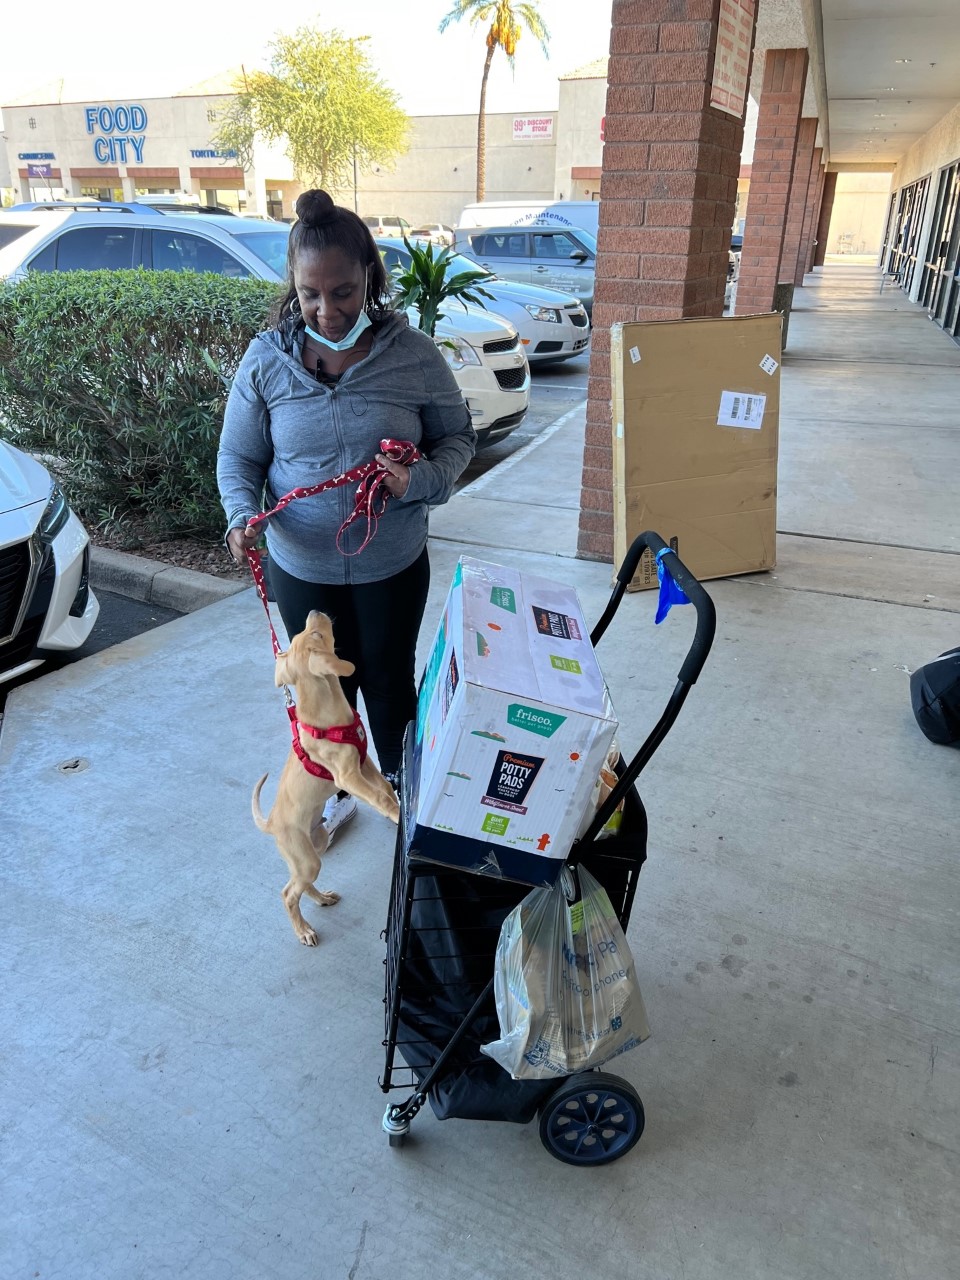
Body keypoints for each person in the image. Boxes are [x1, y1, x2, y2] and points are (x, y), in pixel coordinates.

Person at [218, 189, 476, 841]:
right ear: (294, 287)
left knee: (389, 682)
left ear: (369, 278)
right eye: (310, 294)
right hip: (300, 566)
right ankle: (334, 786)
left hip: (391, 564)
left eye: (343, 292)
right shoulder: (265, 361)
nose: (327, 311)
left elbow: (457, 438)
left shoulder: (413, 354)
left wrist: (418, 480)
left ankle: (401, 796)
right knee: (325, 697)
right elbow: (239, 458)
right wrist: (240, 515)